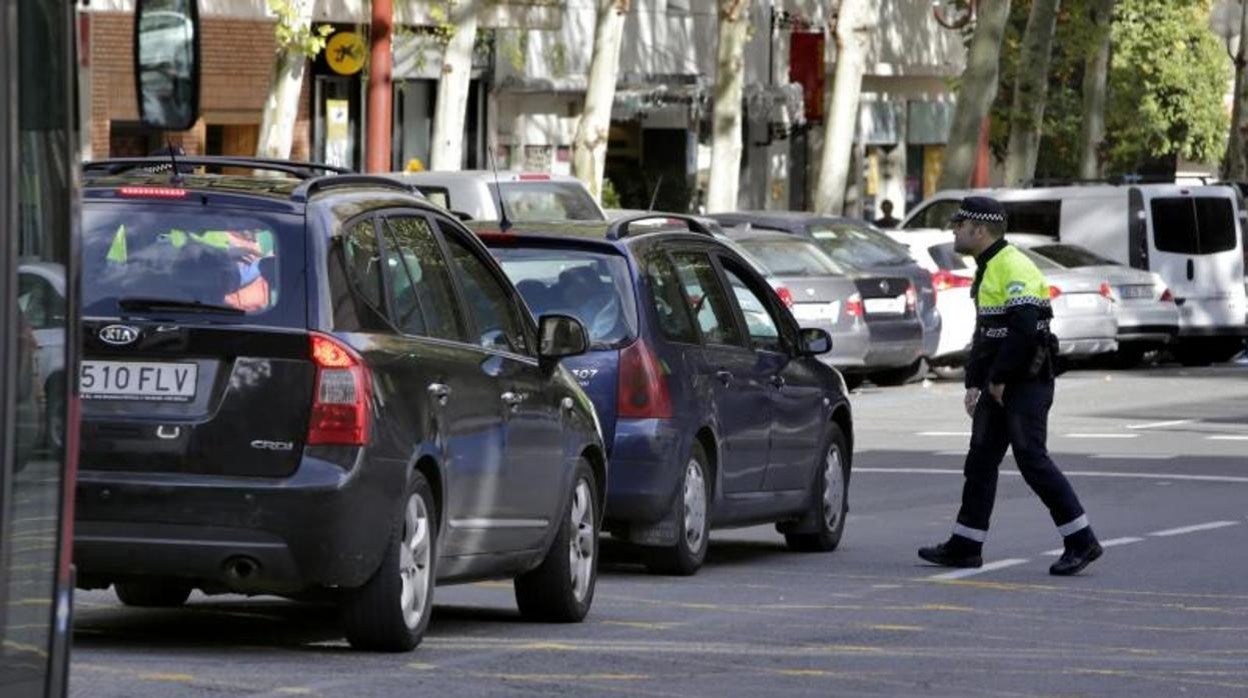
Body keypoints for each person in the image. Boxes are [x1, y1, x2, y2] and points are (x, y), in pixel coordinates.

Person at [918, 196, 1102, 576]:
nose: (954, 231)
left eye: (959, 225)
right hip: (997, 380)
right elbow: (987, 333)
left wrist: (1000, 378)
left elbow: (1024, 329)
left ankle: (1081, 539)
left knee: (1031, 458)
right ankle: (966, 544)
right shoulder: (988, 266)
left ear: (979, 229)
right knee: (981, 460)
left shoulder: (1014, 264)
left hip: (1026, 380)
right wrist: (974, 382)